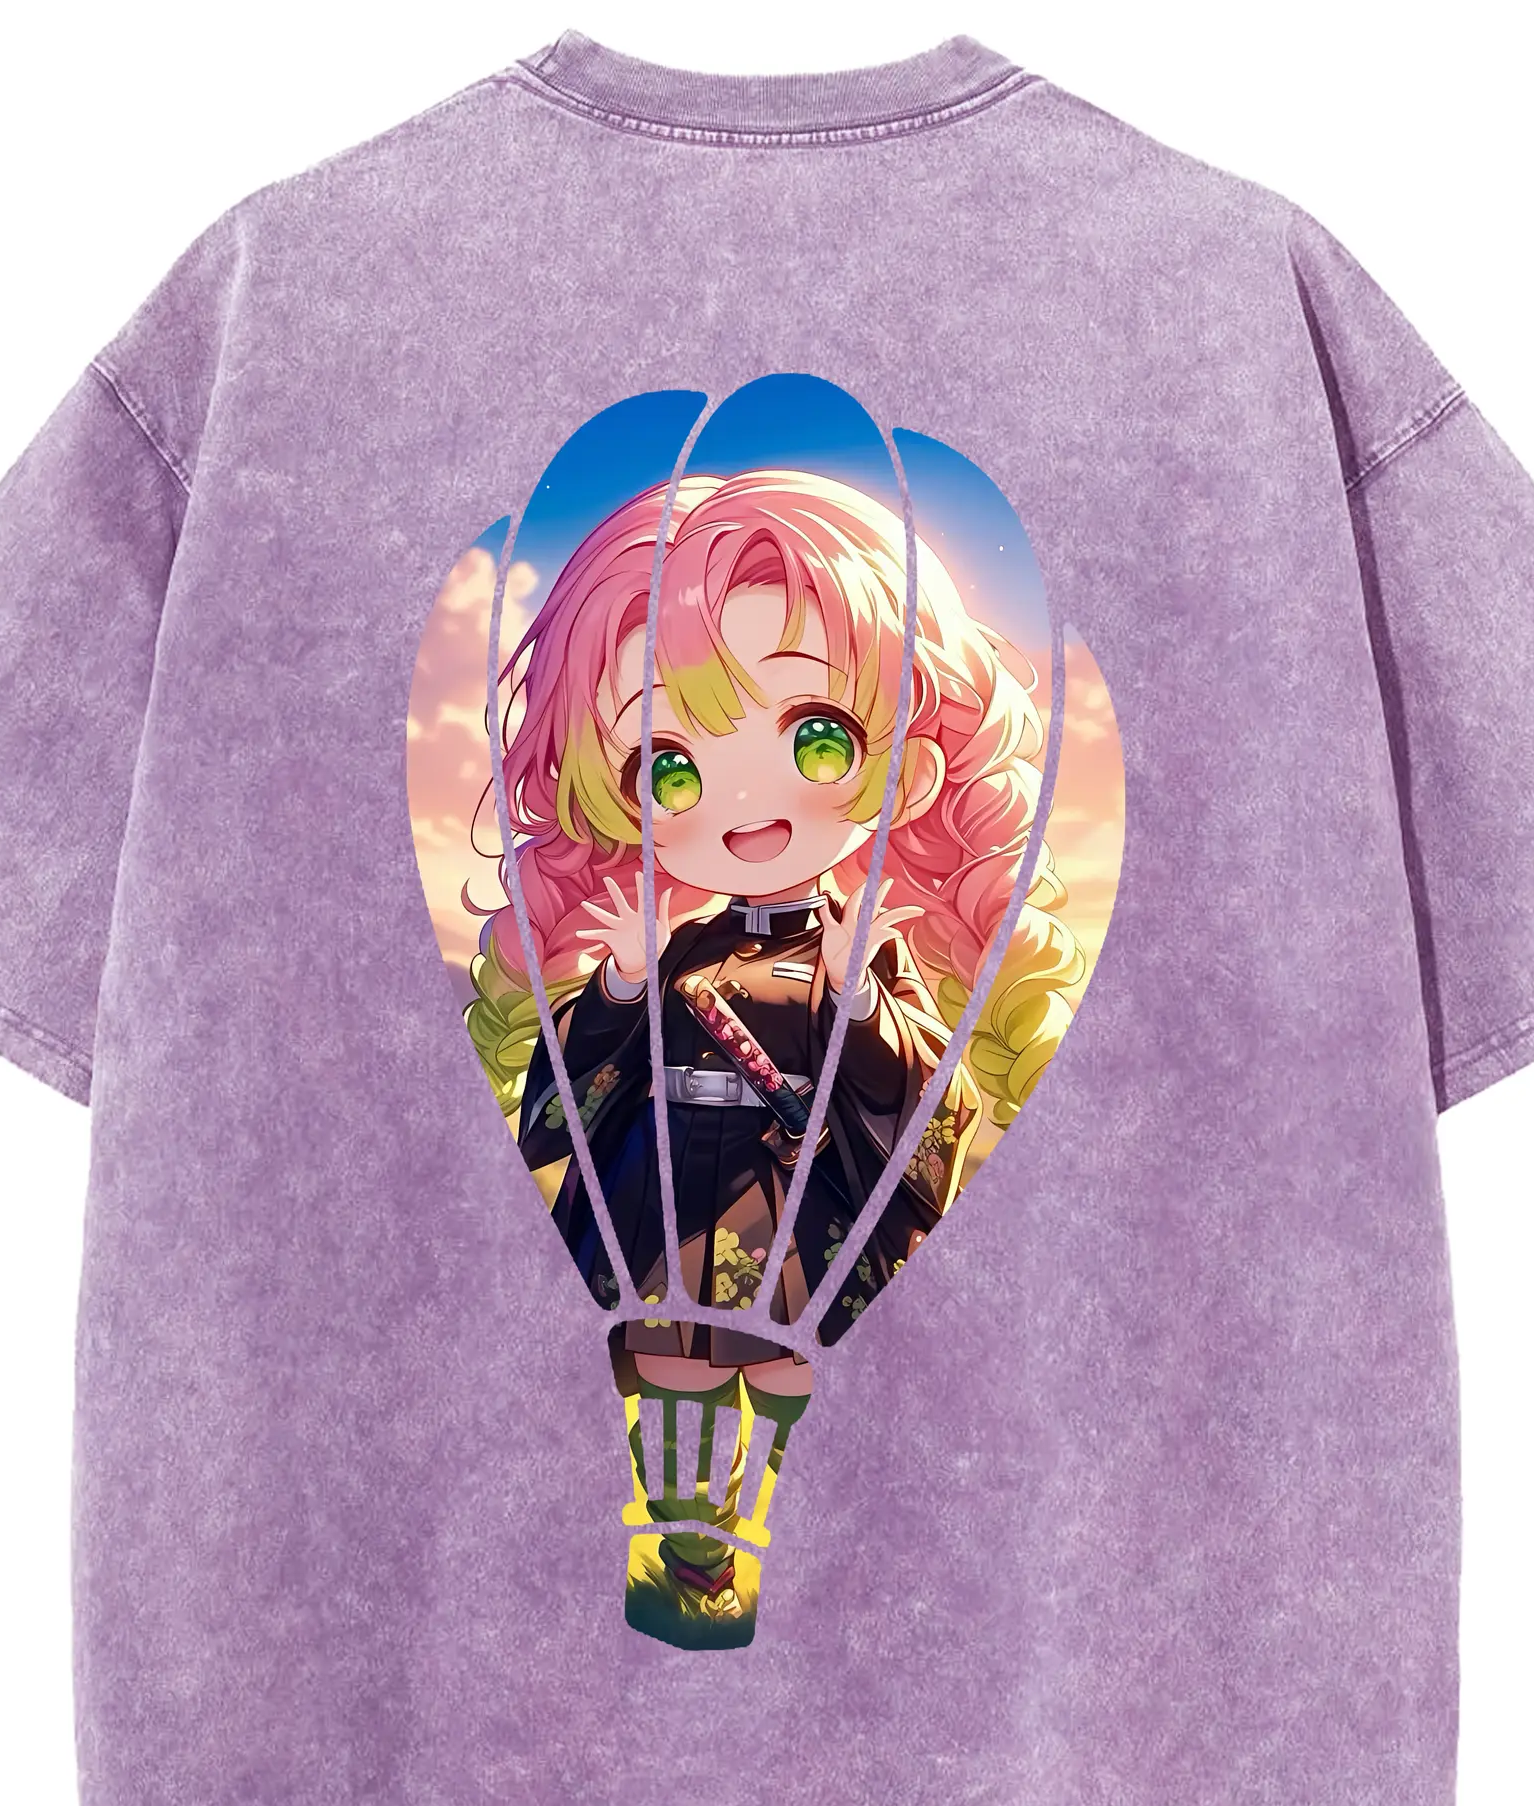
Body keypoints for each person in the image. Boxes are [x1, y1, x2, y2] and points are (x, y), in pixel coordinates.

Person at [461, 467, 1080, 1634]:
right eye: (670, 766)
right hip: (670, 1216)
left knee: (800, 1412)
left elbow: (930, 1130)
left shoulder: (866, 956)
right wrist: (622, 986)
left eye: (815, 737)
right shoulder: (669, 952)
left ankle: (804, 1588)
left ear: (906, 759)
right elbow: (558, 1115)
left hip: (801, 1224)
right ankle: (690, 1567)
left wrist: (857, 999)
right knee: (675, 1403)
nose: (742, 804)